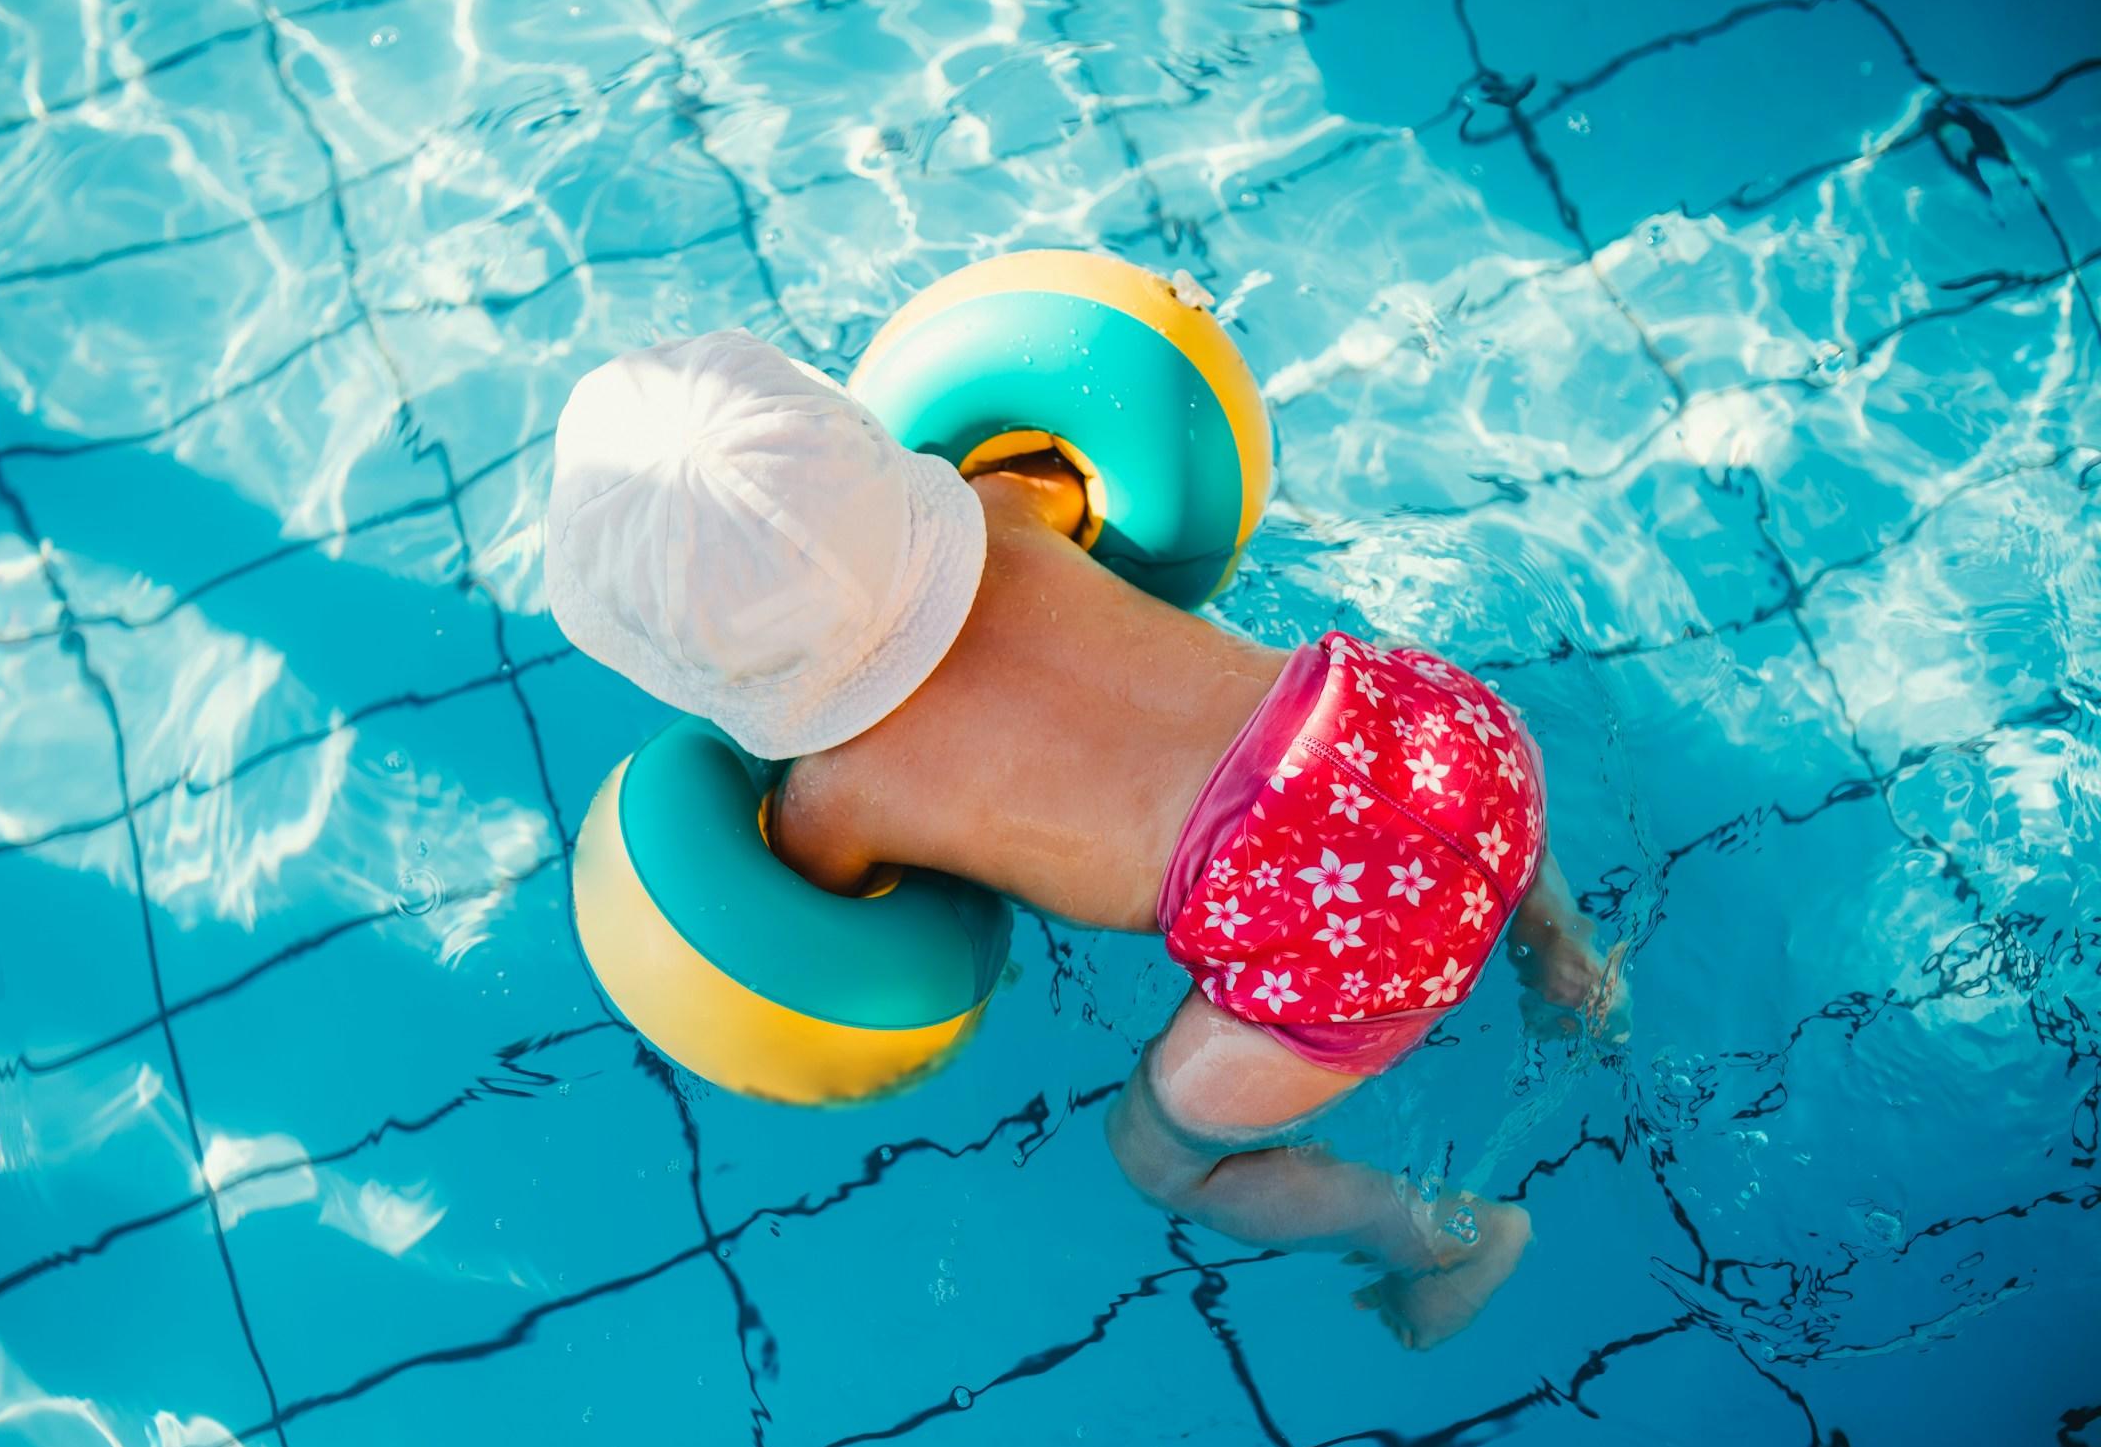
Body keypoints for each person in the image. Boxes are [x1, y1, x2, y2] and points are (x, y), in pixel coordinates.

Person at [544, 329, 1623, 1348]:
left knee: (1159, 1156)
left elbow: (806, 918)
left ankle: (1452, 1239)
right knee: (1454, 821)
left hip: (1330, 935)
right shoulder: (1011, 504)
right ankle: (1559, 939)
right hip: (1437, 735)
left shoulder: (831, 803)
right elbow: (1073, 474)